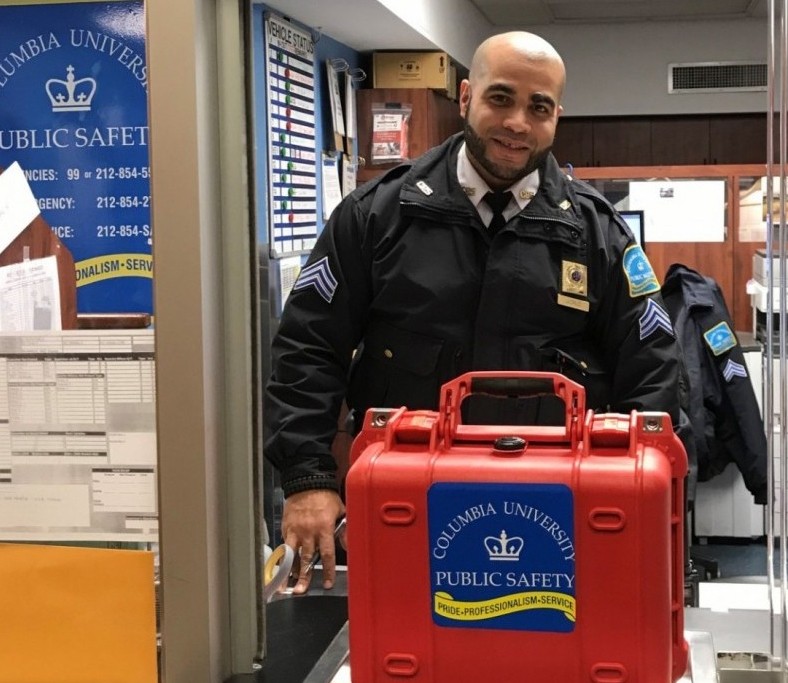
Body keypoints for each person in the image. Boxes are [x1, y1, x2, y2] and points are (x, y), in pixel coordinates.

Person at [263, 31, 685, 593]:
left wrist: (643, 491)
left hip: (555, 507)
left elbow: (652, 368)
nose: (517, 123)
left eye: (538, 108)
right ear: (466, 98)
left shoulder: (597, 233)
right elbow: (308, 346)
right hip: (406, 500)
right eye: (501, 98)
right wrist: (307, 476)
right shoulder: (376, 216)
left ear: (557, 117)